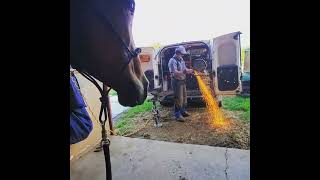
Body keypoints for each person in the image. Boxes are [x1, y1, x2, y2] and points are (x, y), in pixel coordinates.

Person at [168, 46, 194, 121]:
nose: (183, 55)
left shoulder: (181, 59)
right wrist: (184, 72)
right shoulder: (172, 61)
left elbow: (184, 69)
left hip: (182, 80)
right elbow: (174, 73)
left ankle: (182, 111)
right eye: (182, 54)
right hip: (176, 81)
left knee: (184, 97)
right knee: (178, 98)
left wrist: (191, 70)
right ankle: (177, 115)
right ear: (178, 53)